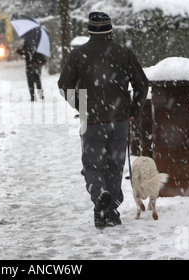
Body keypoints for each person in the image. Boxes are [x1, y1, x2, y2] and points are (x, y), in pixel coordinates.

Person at [58, 12, 149, 229]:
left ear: (89, 30)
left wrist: (81, 104)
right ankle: (111, 211)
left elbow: (64, 85)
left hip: (92, 120)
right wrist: (133, 110)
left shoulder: (78, 55)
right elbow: (142, 85)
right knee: (115, 166)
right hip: (119, 120)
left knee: (93, 165)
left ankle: (99, 194)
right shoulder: (124, 53)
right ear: (111, 30)